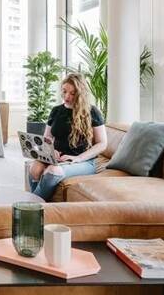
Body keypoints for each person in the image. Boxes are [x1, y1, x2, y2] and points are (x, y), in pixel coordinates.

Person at [28, 72, 107, 201]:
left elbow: (102, 144)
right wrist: (51, 150)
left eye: (72, 93)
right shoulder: (56, 111)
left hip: (84, 161)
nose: (67, 96)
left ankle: (31, 204)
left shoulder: (92, 112)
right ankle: (39, 205)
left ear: (80, 94)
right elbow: (47, 139)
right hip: (57, 158)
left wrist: (78, 158)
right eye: (64, 91)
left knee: (53, 171)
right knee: (35, 168)